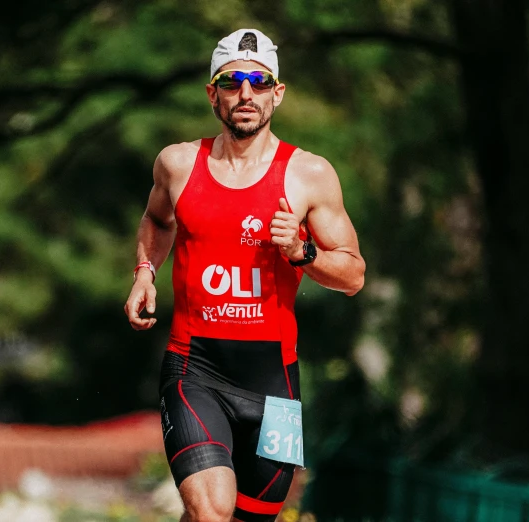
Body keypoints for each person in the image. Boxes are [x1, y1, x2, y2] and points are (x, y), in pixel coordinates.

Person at [124, 28, 365, 522]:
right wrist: (146, 271)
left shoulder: (309, 174)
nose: (246, 94)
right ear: (213, 93)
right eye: (233, 82)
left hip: (275, 383)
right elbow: (157, 219)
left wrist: (301, 252)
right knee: (212, 510)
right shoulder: (177, 163)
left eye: (258, 82)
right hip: (196, 370)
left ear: (277, 92)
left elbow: (353, 274)